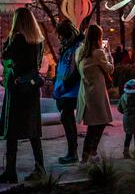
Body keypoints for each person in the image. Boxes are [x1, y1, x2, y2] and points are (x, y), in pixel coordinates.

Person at [0, 8, 45, 184]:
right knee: (33, 130)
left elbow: (6, 54)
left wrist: (9, 38)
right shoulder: (38, 40)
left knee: (12, 130)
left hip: (17, 86)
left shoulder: (17, 38)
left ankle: (10, 171)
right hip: (31, 87)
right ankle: (40, 169)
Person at [76, 24, 114, 164]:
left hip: (86, 92)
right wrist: (109, 54)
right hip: (97, 93)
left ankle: (89, 154)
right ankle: (88, 154)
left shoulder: (80, 52)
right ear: (98, 37)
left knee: (94, 125)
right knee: (98, 124)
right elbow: (110, 69)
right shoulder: (98, 52)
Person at [52, 19, 84, 164]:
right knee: (66, 118)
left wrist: (65, 83)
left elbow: (75, 70)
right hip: (65, 89)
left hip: (70, 90)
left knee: (67, 119)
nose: (59, 38)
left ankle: (72, 153)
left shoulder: (75, 47)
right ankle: (72, 152)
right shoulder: (69, 46)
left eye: (60, 35)